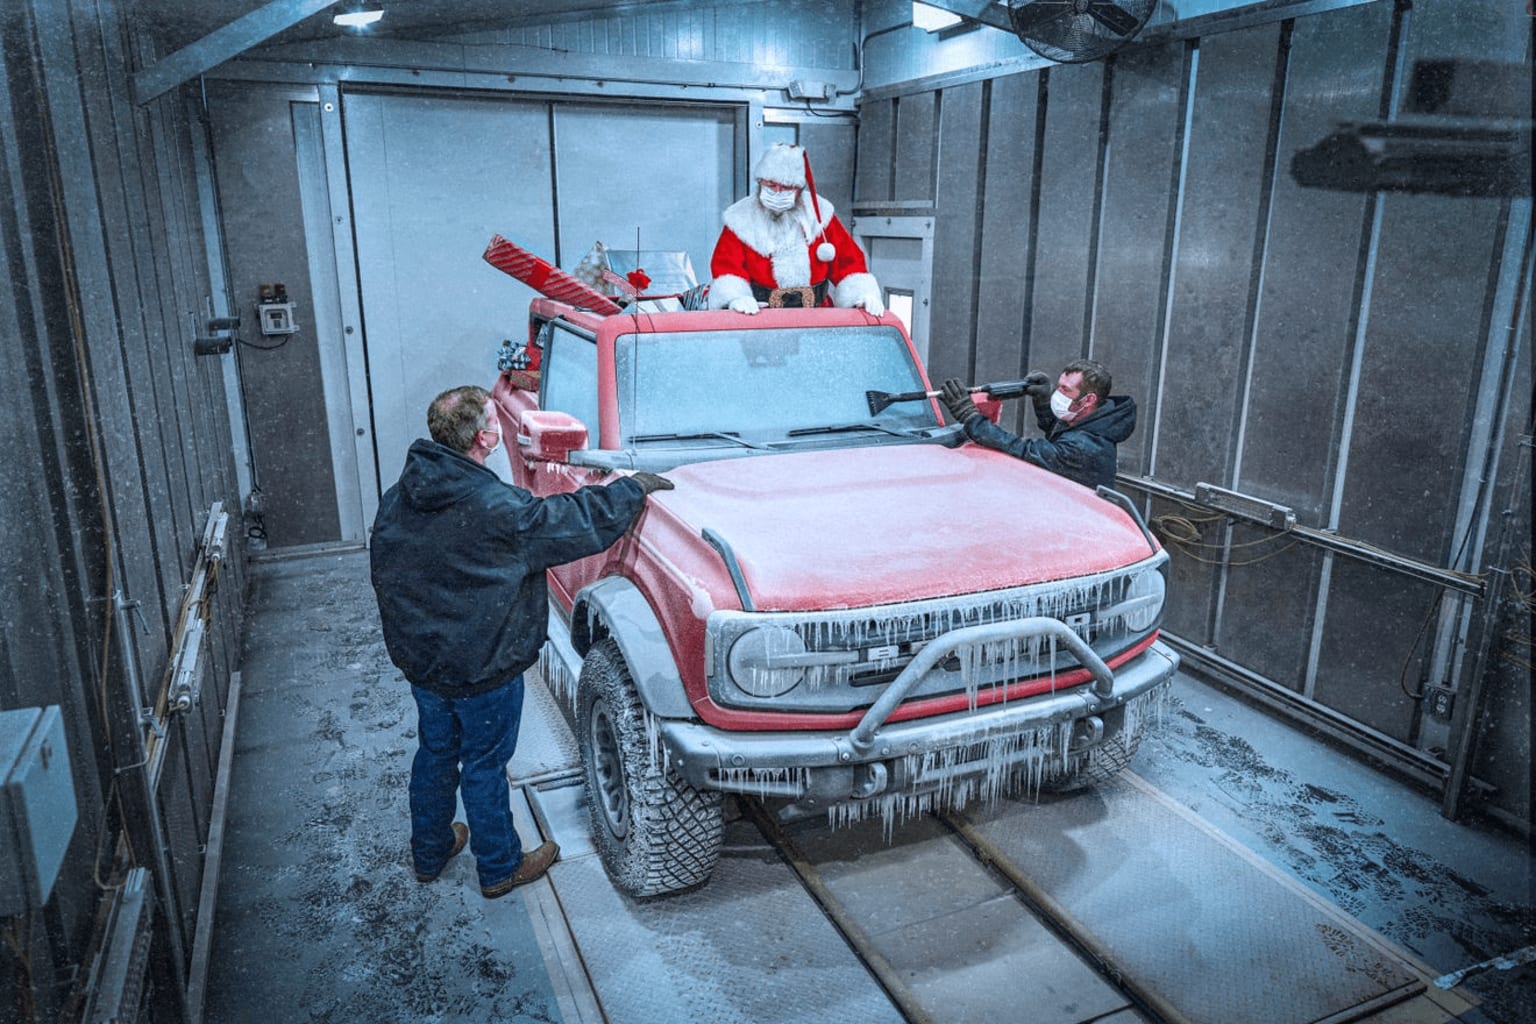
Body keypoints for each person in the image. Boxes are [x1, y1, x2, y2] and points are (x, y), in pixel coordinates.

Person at [369, 385, 673, 898]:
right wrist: (631, 489)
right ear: (486, 437)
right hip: (482, 667)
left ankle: (430, 850)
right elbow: (571, 524)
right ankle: (500, 866)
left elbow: (388, 575)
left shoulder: (400, 497)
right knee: (485, 765)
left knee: (436, 753)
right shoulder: (495, 508)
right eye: (494, 418)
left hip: (425, 663)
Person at [708, 142, 884, 316]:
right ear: (760, 182)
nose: (777, 192)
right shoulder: (740, 218)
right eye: (770, 185)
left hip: (818, 316)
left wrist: (862, 295)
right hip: (760, 318)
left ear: (799, 189)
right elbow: (727, 267)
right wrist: (735, 298)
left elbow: (849, 262)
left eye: (786, 188)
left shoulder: (820, 215)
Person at [941, 358, 1135, 491]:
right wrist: (1042, 402)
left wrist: (970, 416)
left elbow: (1023, 450)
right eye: (1058, 386)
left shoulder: (1085, 448)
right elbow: (1062, 436)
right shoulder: (1096, 421)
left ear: (1088, 400)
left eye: (1065, 390)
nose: (1057, 394)